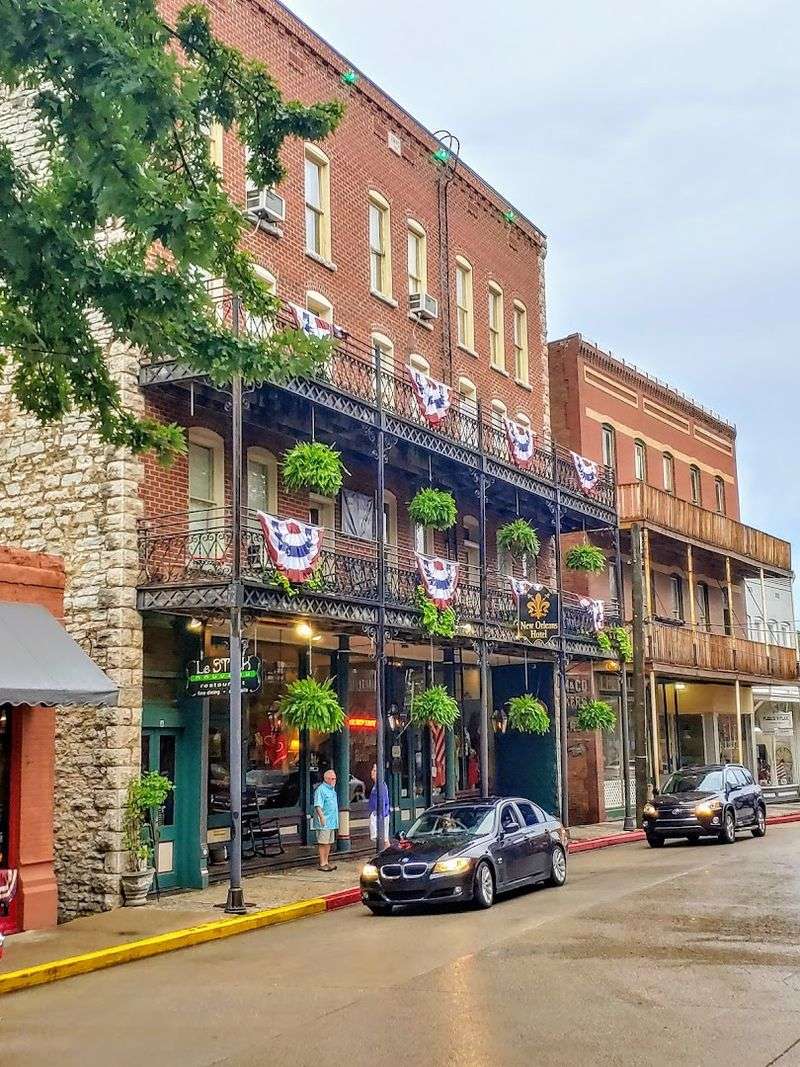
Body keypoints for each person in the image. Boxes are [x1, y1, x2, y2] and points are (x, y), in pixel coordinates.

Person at [312, 768, 339, 871]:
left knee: (329, 842)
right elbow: (318, 805)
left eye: (335, 779)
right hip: (324, 821)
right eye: (331, 779)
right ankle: (322, 863)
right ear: (326, 779)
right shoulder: (321, 790)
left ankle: (326, 861)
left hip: (332, 821)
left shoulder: (332, 790)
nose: (333, 781)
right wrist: (322, 817)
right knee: (323, 842)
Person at [368, 763, 390, 845]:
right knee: (381, 840)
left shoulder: (381, 785)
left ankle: (389, 856)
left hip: (381, 815)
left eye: (374, 771)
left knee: (384, 839)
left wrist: (381, 816)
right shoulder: (376, 785)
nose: (372, 772)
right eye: (372, 770)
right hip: (376, 814)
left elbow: (383, 801)